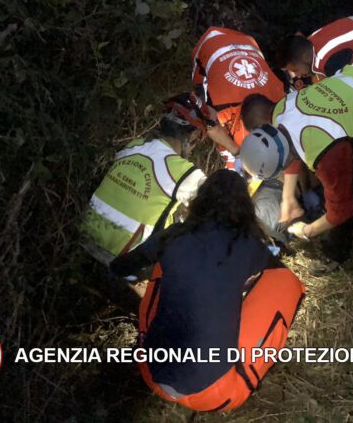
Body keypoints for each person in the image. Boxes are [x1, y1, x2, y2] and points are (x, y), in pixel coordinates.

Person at [110, 170, 305, 412]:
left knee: (166, 266)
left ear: (200, 201)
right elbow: (272, 268)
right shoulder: (248, 246)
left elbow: (119, 267)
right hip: (216, 393)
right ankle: (247, 372)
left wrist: (139, 277)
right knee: (286, 282)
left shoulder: (173, 235)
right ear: (244, 207)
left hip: (151, 371)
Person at [239, 65, 353, 263]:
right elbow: (288, 146)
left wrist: (308, 230)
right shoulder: (280, 110)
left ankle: (337, 255)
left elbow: (341, 211)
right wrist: (288, 198)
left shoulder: (325, 154)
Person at [80, 93, 208, 270]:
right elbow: (219, 203)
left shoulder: (134, 145)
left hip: (84, 237)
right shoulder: (183, 172)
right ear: (193, 135)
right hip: (123, 260)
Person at [191, 26, 286, 170]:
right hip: (209, 45)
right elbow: (211, 125)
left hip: (248, 43)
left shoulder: (281, 99)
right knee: (203, 112)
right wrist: (236, 153)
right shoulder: (221, 105)